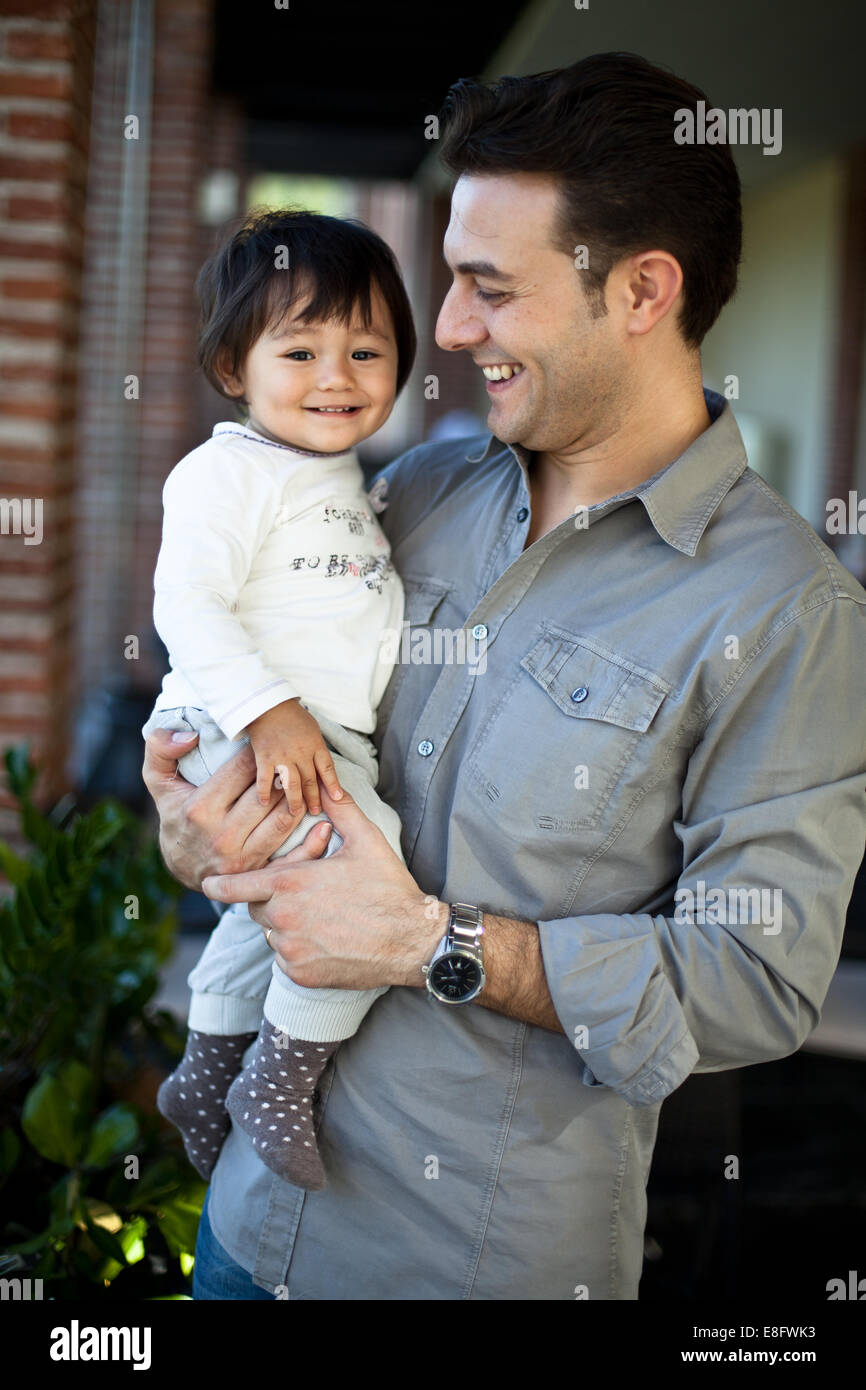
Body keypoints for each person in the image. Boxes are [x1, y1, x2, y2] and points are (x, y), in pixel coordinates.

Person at [142, 53, 866, 1299]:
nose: (452, 328)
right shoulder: (403, 492)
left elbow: (757, 978)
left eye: (486, 287)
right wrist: (196, 839)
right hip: (246, 1235)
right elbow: (252, 713)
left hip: (467, 1270)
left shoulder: (784, 608)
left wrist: (436, 942)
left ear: (642, 290)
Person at [141, 209, 417, 1192]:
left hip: (300, 731)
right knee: (360, 861)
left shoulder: (342, 479)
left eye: (365, 350)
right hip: (244, 721)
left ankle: (204, 1068)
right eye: (299, 350)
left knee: (254, 917)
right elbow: (187, 603)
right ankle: (278, 1075)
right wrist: (267, 709)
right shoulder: (226, 472)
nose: (335, 376)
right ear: (232, 369)